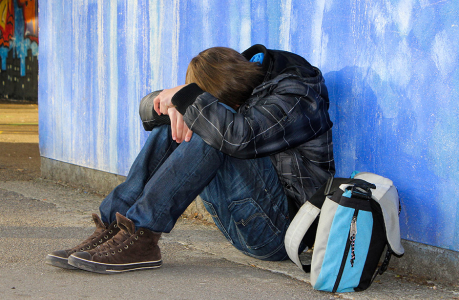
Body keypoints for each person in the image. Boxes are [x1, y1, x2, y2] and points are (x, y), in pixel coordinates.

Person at [45, 44, 335, 274]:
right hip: (242, 221)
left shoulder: (296, 94)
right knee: (183, 122)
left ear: (241, 94)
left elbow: (239, 136)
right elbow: (149, 111)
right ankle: (115, 227)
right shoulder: (233, 79)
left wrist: (190, 102)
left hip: (282, 234)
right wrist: (175, 103)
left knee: (212, 129)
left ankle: (142, 235)